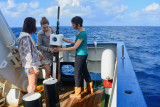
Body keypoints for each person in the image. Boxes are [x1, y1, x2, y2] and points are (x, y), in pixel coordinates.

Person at [56, 16, 93, 99]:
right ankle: (90, 89)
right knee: (84, 71)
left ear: (78, 24)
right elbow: (76, 42)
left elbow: (74, 47)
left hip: (81, 55)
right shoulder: (80, 32)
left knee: (77, 73)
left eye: (73, 25)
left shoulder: (82, 33)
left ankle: (77, 93)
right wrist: (66, 40)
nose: (72, 26)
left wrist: (60, 49)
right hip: (82, 54)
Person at [17, 17, 43, 93]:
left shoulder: (25, 36)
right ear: (31, 25)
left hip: (29, 66)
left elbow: (30, 50)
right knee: (32, 86)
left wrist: (39, 53)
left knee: (31, 85)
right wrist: (34, 68)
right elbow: (28, 54)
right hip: (30, 66)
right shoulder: (26, 38)